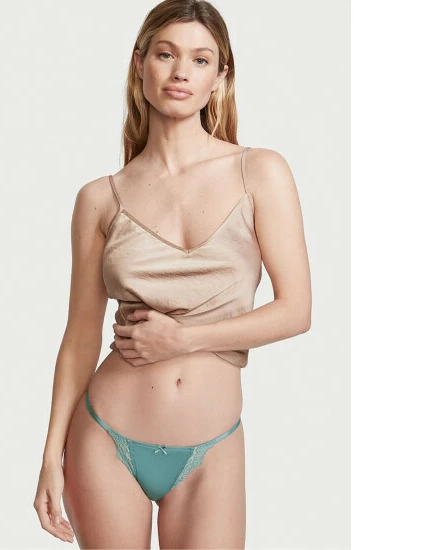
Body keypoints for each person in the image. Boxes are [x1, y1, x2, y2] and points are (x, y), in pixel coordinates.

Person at [33, 0, 312, 547]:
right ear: (140, 63)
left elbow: (296, 311)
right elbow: (81, 337)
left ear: (220, 77)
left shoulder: (260, 172)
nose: (181, 71)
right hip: (105, 438)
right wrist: (49, 455)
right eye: (166, 54)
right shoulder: (99, 199)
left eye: (200, 59)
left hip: (213, 445)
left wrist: (184, 339)